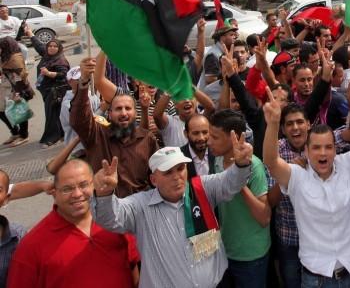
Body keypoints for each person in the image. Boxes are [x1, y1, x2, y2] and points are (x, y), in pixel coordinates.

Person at [263, 83, 350, 287]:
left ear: (335, 149)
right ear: (306, 151)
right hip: (317, 278)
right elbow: (271, 162)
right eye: (316, 148)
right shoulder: (296, 176)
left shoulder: (347, 164)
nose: (322, 153)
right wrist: (272, 124)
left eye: (328, 147)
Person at [93, 137, 254, 288]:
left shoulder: (202, 188)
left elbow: (231, 182)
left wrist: (241, 164)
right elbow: (110, 218)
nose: (177, 176)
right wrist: (105, 194)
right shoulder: (140, 206)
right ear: (154, 180)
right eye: (168, 172)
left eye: (180, 168)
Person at [7, 159, 135, 287]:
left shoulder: (116, 222)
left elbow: (136, 268)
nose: (77, 194)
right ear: (54, 193)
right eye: (67, 189)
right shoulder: (31, 246)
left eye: (84, 185)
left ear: (94, 185)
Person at [71, 57, 158, 197]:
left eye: (128, 108)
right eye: (118, 109)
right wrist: (84, 82)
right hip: (106, 207)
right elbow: (79, 120)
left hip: (139, 209)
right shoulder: (97, 135)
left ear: (135, 113)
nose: (123, 113)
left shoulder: (147, 138)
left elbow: (156, 175)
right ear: (109, 114)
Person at [207, 109, 271, 288]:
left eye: (215, 137)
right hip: (225, 251)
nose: (208, 141)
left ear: (233, 138)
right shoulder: (218, 160)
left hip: (250, 256)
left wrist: (238, 178)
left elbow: (264, 217)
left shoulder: (254, 166)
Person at [27, 27, 70, 147]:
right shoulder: (46, 55)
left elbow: (64, 75)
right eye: (50, 46)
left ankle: (51, 138)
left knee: (51, 114)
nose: (52, 48)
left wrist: (49, 73)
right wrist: (30, 33)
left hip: (56, 91)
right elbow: (38, 45)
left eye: (55, 46)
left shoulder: (61, 60)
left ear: (59, 48)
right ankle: (61, 134)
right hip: (46, 90)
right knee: (56, 114)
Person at [181, 114, 216, 178]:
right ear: (186, 134)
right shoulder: (179, 157)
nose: (201, 138)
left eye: (205, 132)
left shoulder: (218, 153)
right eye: (195, 133)